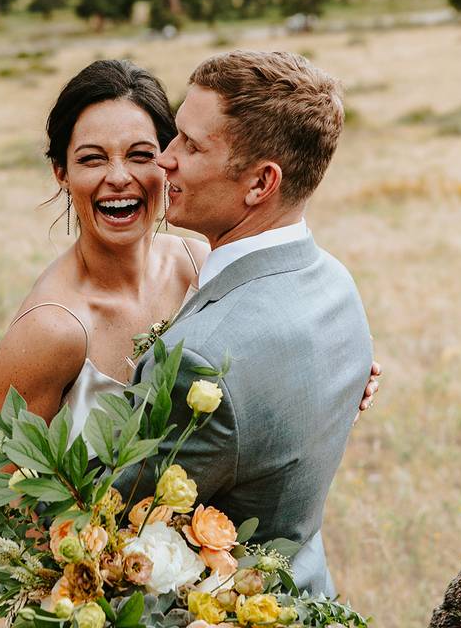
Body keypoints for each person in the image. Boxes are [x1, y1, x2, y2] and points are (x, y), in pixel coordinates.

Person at [0, 58, 380, 530]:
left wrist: (328, 381)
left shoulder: (198, 261)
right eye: (91, 158)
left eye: (142, 154)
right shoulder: (50, 330)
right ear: (61, 172)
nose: (119, 176)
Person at [113, 50, 374, 597]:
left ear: (260, 184)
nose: (165, 160)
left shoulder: (199, 362)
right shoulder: (336, 285)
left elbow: (117, 521)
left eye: (190, 144)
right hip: (308, 592)